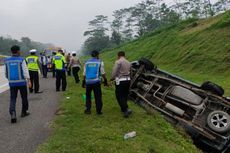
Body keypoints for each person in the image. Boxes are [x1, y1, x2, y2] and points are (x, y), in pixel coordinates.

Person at [4, 45, 31, 123]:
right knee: (24, 97)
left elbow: (6, 73)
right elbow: (25, 71)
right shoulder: (21, 60)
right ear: (18, 51)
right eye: (19, 50)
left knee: (13, 98)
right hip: (22, 82)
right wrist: (29, 80)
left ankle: (13, 113)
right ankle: (24, 112)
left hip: (12, 83)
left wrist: (10, 79)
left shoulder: (7, 60)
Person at [82, 50, 108, 115]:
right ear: (97, 55)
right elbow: (103, 73)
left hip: (88, 82)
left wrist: (83, 82)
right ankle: (98, 111)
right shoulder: (100, 62)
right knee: (98, 96)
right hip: (96, 82)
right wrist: (105, 80)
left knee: (88, 96)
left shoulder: (87, 62)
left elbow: (84, 73)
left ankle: (88, 109)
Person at [111, 51, 132, 118]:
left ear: (118, 55)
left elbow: (114, 71)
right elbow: (131, 71)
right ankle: (124, 108)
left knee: (119, 95)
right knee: (125, 95)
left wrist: (112, 78)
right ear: (124, 55)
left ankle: (125, 110)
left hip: (120, 80)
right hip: (128, 80)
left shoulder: (118, 62)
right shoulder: (129, 62)